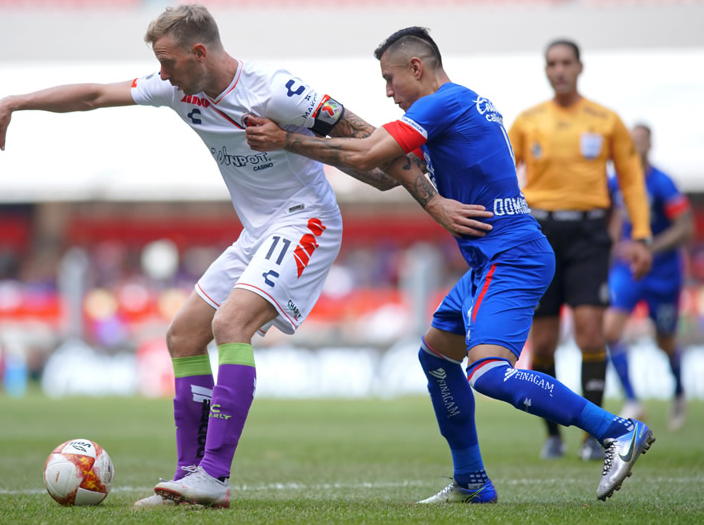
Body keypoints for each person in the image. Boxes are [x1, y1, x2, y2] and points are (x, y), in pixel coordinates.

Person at [0, 5, 493, 509]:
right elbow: (94, 95)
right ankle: (188, 478)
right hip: (258, 231)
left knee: (231, 325)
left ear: (199, 52)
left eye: (169, 61)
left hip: (306, 218)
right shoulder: (178, 87)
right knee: (183, 335)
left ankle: (214, 477)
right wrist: (14, 103)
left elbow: (374, 144)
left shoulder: (277, 90)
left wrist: (435, 203)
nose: (161, 74)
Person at [245, 26, 655, 503]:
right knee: (436, 354)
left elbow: (374, 150)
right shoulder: (451, 109)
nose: (388, 91)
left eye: (390, 78)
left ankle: (616, 429)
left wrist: (289, 141)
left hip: (510, 255)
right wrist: (324, 140)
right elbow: (382, 176)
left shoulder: (442, 103)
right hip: (493, 258)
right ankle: (471, 480)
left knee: (487, 374)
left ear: (416, 68)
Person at [508, 39, 653, 461]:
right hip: (539, 233)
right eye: (551, 63)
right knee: (545, 343)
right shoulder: (528, 121)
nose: (559, 70)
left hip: (590, 234)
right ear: (546, 69)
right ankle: (553, 434)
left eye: (566, 62)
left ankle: (593, 436)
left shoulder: (606, 121)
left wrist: (640, 236)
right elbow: (501, 174)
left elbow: (631, 181)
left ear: (580, 67)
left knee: (591, 331)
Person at [604, 123, 693, 431]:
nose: (635, 145)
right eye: (631, 141)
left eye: (641, 140)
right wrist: (615, 246)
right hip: (627, 272)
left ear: (650, 145)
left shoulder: (663, 183)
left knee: (665, 342)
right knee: (610, 329)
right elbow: (609, 222)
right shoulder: (616, 183)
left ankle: (679, 391)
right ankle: (632, 399)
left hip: (663, 274)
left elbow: (686, 228)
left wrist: (648, 246)